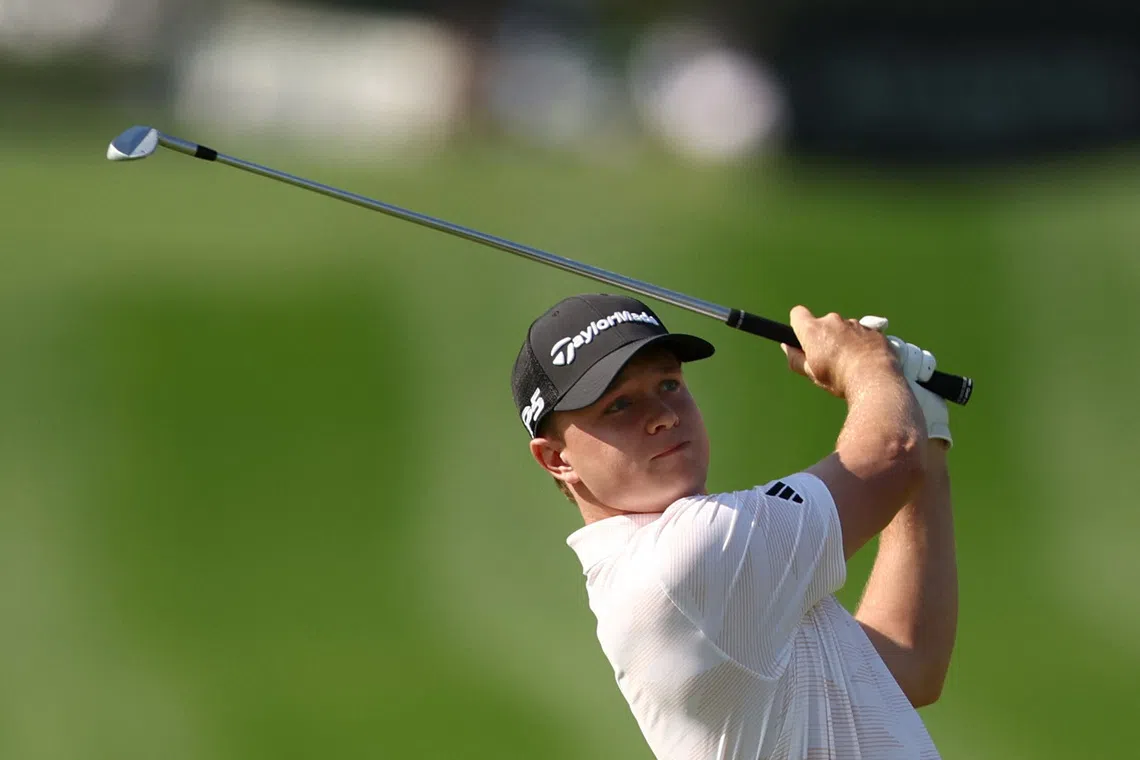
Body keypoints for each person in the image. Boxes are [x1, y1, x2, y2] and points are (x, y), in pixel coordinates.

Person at [509, 293, 957, 760]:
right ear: (557, 458)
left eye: (667, 384)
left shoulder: (716, 581)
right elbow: (891, 453)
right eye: (619, 406)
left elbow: (908, 665)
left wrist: (924, 429)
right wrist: (867, 364)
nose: (664, 416)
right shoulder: (681, 562)